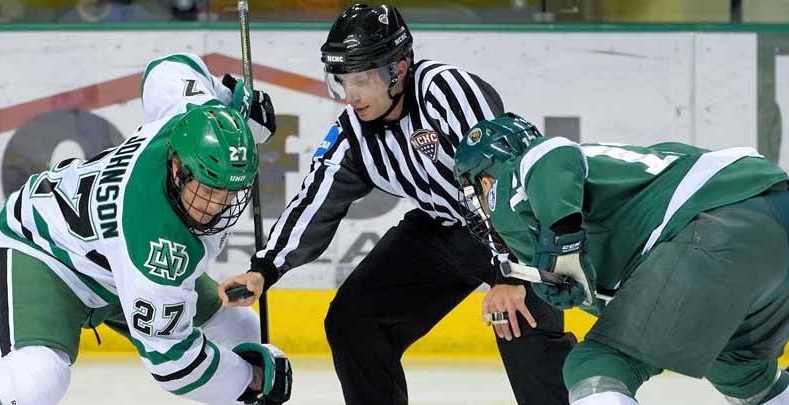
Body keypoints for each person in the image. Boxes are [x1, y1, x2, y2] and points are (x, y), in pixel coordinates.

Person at [218, 4, 573, 405]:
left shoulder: (445, 90)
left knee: (518, 320)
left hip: (516, 229)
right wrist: (264, 268)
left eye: (362, 80)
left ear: (398, 70)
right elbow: (316, 199)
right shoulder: (354, 133)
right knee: (356, 321)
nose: (351, 96)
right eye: (343, 81)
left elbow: (506, 179)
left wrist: (511, 274)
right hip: (441, 229)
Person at [0, 91, 291, 403]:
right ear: (176, 168)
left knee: (240, 330)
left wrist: (228, 95)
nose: (217, 206)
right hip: (45, 252)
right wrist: (252, 379)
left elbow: (168, 70)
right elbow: (174, 365)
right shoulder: (157, 246)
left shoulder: (188, 116)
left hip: (111, 256)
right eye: (207, 189)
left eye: (230, 192)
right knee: (37, 378)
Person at [452, 113, 789, 404]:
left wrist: (562, 241)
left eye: (473, 189)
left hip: (717, 228)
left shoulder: (513, 182)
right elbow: (639, 308)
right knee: (742, 369)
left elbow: (549, 153)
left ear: (485, 181)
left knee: (596, 362)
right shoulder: (609, 178)